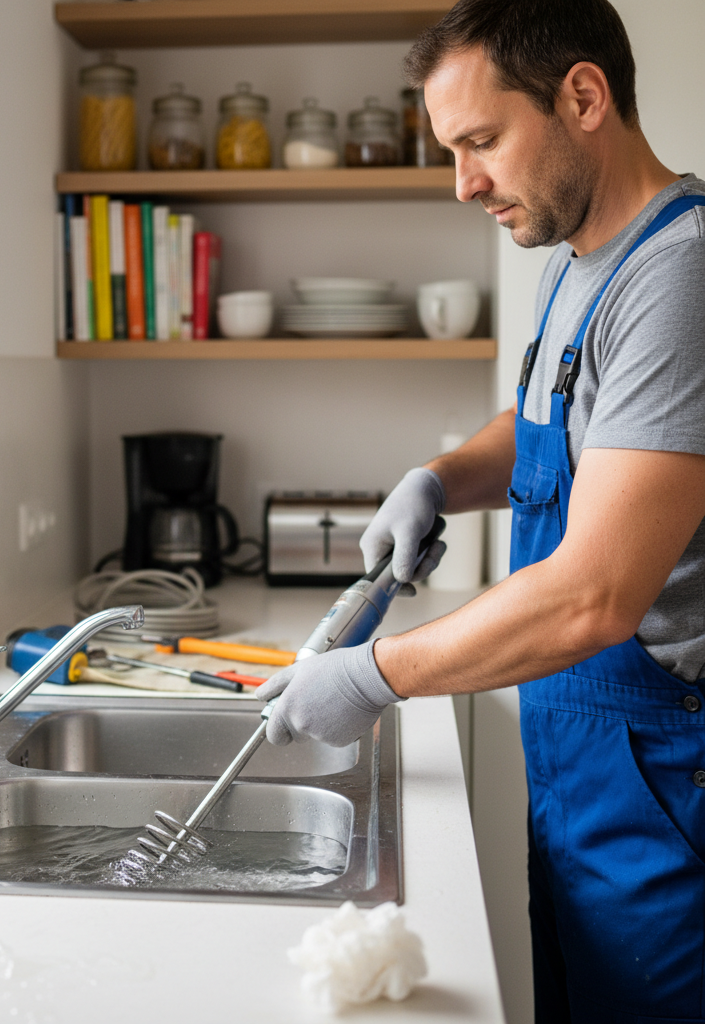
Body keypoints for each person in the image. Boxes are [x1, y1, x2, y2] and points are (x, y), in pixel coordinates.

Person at [256, 1, 705, 1019]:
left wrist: (371, 675)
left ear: (582, 97)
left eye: (481, 142)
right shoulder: (581, 259)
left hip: (665, 793)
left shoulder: (682, 276)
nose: (463, 183)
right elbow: (555, 423)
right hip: (588, 777)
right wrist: (443, 477)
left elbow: (593, 595)